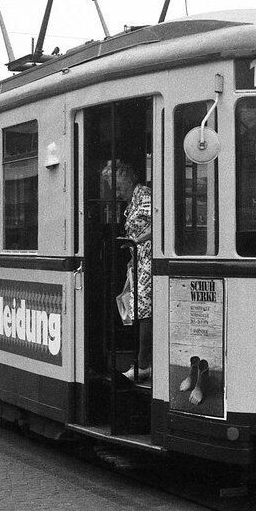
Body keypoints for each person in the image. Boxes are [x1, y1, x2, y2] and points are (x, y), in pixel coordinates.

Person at [107, 160, 152, 383]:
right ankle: (143, 361)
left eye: (117, 186)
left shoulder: (143, 194)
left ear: (127, 177)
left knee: (143, 310)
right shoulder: (133, 198)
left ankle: (144, 365)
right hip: (139, 258)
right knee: (137, 308)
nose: (116, 191)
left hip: (149, 257)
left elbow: (159, 224)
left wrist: (136, 241)